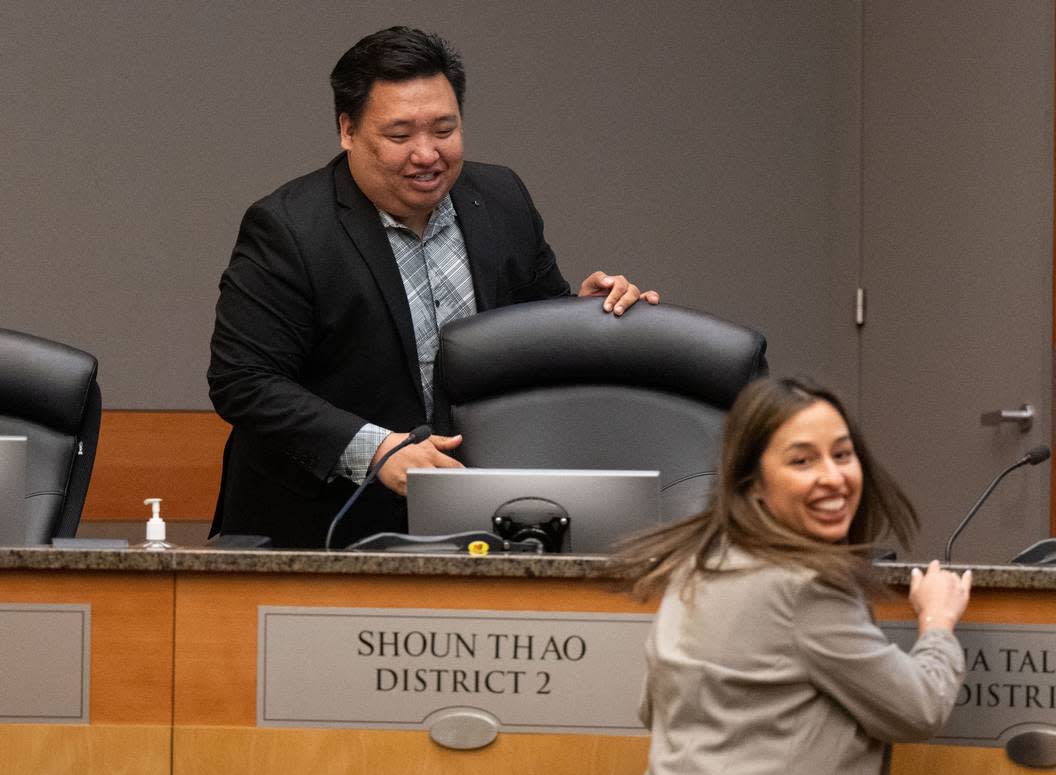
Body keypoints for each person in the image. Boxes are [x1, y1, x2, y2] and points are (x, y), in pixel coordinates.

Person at [207, 27, 658, 548]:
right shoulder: (289, 228)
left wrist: (584, 315)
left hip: (478, 515)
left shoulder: (502, 197)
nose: (427, 154)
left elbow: (533, 331)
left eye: (444, 130)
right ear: (348, 130)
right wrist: (377, 452)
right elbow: (244, 380)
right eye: (400, 136)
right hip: (321, 524)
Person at [618, 377, 971, 775]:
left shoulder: (695, 564)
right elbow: (918, 709)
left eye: (841, 454)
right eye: (802, 461)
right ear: (753, 484)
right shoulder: (806, 587)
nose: (833, 477)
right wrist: (937, 622)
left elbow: (654, 710)